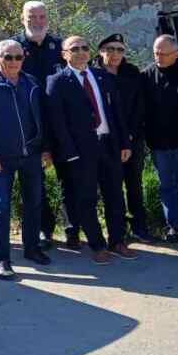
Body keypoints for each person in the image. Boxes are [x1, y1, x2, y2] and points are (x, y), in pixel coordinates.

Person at [45, 37, 135, 265]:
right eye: (75, 49)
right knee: (86, 199)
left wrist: (124, 143)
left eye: (85, 48)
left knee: (115, 195)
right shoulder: (57, 82)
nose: (81, 52)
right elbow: (57, 123)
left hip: (109, 145)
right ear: (64, 54)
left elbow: (116, 113)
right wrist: (69, 152)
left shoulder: (102, 76)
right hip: (81, 151)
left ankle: (117, 240)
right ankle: (97, 244)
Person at [0, 40, 51, 279]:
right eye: (8, 57)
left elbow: (41, 121)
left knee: (34, 203)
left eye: (18, 57)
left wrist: (45, 148)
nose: (14, 62)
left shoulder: (31, 83)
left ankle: (32, 248)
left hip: (31, 156)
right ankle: (2, 258)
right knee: (1, 206)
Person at [15, 0, 65, 251]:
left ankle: (72, 228)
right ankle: (45, 229)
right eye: (32, 17)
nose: (37, 21)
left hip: (59, 123)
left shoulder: (60, 46)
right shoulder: (14, 48)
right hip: (28, 125)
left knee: (69, 176)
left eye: (42, 17)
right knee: (36, 181)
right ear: (22, 18)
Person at [142, 34, 178, 242]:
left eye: (163, 53)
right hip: (159, 142)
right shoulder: (147, 75)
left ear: (176, 54)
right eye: (155, 52)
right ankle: (174, 225)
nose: (158, 57)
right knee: (167, 185)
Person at [94, 34, 151, 242]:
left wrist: (131, 133)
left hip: (133, 137)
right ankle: (117, 229)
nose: (115, 54)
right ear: (101, 51)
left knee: (134, 183)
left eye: (120, 49)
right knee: (112, 186)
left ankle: (139, 226)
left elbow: (140, 106)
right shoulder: (94, 74)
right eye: (110, 49)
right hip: (107, 140)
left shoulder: (132, 72)